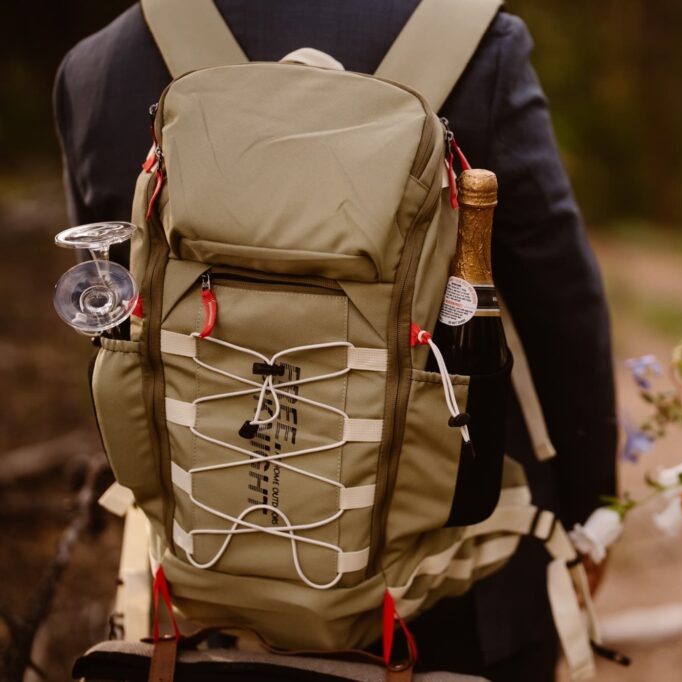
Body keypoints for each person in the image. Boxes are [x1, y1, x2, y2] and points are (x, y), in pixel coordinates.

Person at [53, 2, 618, 680]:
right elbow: (561, 302)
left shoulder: (100, 65)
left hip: (200, 578)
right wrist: (592, 509)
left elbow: (118, 321)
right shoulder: (475, 45)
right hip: (450, 584)